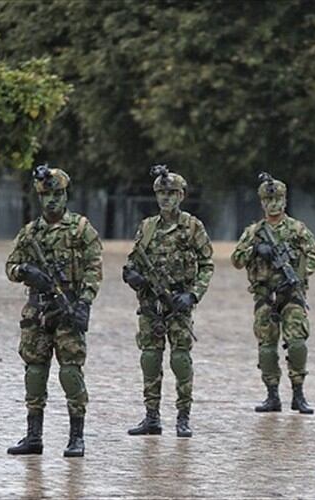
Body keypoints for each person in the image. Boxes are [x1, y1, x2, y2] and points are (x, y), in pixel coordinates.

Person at [5, 164, 102, 457]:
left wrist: (84, 302)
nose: (52, 200)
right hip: (37, 312)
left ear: (65, 195)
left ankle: (76, 437)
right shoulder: (30, 233)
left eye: (57, 194)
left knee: (70, 373)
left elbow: (94, 269)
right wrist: (25, 271)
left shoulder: (81, 229)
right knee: (34, 373)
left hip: (68, 310)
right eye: (47, 195)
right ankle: (33, 436)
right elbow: (10, 267)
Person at [123, 165, 214, 438]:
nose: (166, 198)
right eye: (162, 193)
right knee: (150, 358)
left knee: (180, 360)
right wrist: (133, 276)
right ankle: (151, 417)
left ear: (181, 195)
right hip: (151, 305)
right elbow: (133, 261)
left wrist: (193, 295)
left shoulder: (192, 226)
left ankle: (183, 417)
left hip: (178, 304)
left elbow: (207, 265)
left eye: (172, 193)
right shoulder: (147, 227)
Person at [230, 173, 315, 414]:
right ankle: (272, 395)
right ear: (262, 203)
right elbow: (236, 260)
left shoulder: (297, 229)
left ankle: (298, 394)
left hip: (291, 295)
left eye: (278, 199)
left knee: (297, 343)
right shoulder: (254, 232)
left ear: (285, 200)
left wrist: (297, 276)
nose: (274, 204)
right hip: (265, 296)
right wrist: (255, 250)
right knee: (267, 348)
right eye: (268, 200)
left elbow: (312, 257)